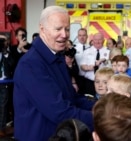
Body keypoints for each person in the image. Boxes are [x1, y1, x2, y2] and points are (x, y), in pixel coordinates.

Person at [13, 6, 94, 141]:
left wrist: (102, 106)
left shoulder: (57, 57)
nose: (64, 35)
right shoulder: (31, 64)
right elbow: (60, 112)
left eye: (67, 29)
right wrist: (104, 118)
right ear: (42, 29)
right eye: (58, 29)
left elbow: (72, 97)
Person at [0, 34, 15, 137]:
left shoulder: (8, 53)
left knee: (3, 106)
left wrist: (6, 53)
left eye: (4, 41)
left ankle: (1, 128)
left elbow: (12, 64)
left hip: (4, 83)